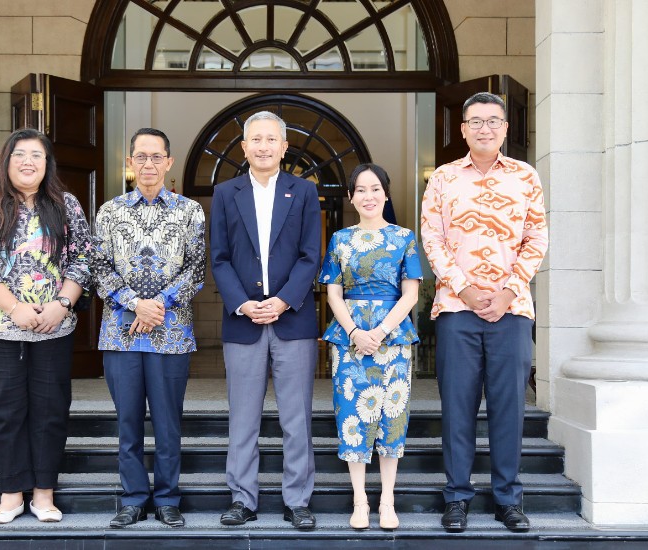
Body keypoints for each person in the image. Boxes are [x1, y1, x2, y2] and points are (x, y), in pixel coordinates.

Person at [420, 92, 548, 533]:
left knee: (509, 407)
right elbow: (432, 239)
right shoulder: (442, 178)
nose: (485, 128)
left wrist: (510, 291)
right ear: (463, 129)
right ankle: (457, 497)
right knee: (457, 406)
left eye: (493, 121)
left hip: (512, 312)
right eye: (476, 121)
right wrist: (465, 289)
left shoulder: (525, 177)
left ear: (506, 128)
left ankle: (507, 499)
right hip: (457, 308)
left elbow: (536, 238)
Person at [0, 128, 92, 524]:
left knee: (50, 410)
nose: (28, 161)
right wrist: (15, 307)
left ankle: (44, 494)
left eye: (37, 154)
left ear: (47, 163)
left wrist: (62, 304)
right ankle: (11, 494)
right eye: (20, 154)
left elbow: (84, 258)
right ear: (6, 161)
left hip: (54, 327)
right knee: (3, 411)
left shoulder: (65, 205)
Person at [210, 111, 321, 530]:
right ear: (243, 148)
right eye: (255, 139)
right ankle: (242, 498)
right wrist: (242, 303)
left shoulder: (304, 192)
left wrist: (284, 301)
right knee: (243, 417)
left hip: (292, 321)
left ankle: (297, 500)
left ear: (283, 146)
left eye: (270, 139)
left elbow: (312, 254)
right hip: (243, 322)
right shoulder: (225, 192)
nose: (263, 146)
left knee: (297, 418)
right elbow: (218, 258)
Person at [91, 128, 205, 529]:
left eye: (157, 157)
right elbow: (99, 268)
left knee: (168, 421)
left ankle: (168, 498)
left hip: (171, 334)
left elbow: (196, 268)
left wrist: (160, 306)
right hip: (120, 334)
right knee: (127, 422)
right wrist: (135, 303)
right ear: (130, 162)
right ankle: (134, 498)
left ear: (169, 162)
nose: (148, 164)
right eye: (141, 156)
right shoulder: (109, 211)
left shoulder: (190, 211)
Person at [318, 164, 421, 530]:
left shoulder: (404, 237)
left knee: (392, 419)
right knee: (353, 417)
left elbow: (411, 292)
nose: (368, 196)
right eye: (360, 190)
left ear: (386, 193)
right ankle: (360, 499)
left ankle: (387, 500)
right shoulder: (340, 239)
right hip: (349, 335)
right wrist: (355, 332)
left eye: (375, 189)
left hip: (392, 334)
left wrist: (378, 331)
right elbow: (332, 290)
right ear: (350, 197)